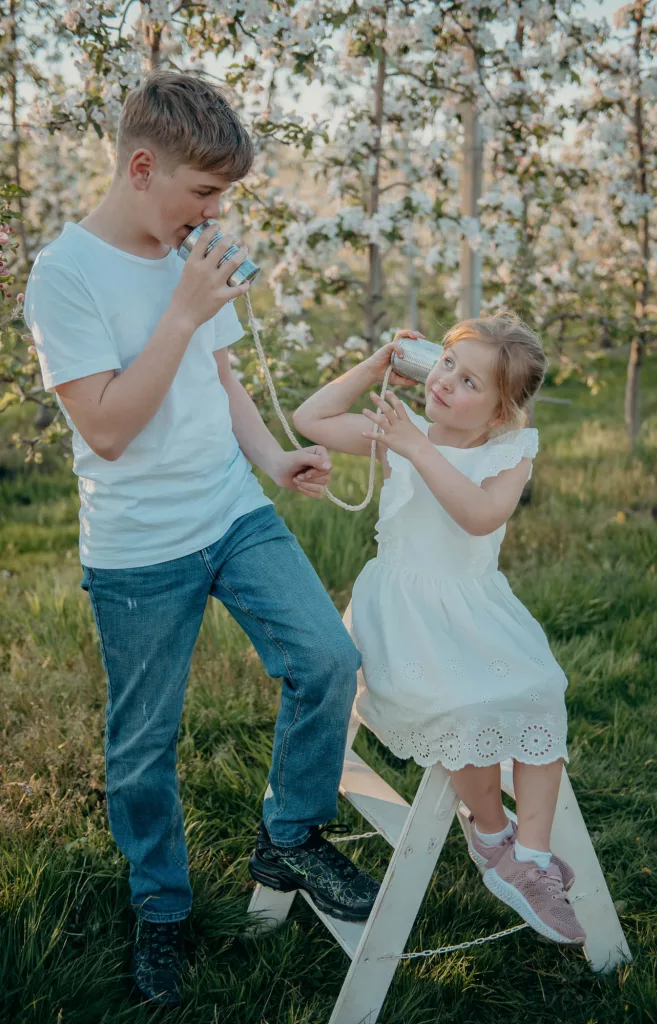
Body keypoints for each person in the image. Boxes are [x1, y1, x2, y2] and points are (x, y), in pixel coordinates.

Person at [23, 70, 379, 1008]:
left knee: (327, 659)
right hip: (139, 548)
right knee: (144, 744)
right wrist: (182, 310)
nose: (216, 211)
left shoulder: (192, 254)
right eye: (206, 191)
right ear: (142, 168)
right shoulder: (63, 276)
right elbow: (108, 428)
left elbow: (220, 379)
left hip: (230, 510)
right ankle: (163, 909)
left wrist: (272, 458)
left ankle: (291, 835)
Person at [293, 312, 586, 947]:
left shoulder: (507, 454)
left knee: (541, 689)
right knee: (465, 707)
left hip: (476, 611)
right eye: (446, 363)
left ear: (501, 413)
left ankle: (531, 859)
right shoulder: (403, 433)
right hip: (403, 615)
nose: (446, 382)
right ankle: (490, 832)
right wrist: (375, 366)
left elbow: (479, 516)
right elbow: (310, 418)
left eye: (470, 381)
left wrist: (418, 447)